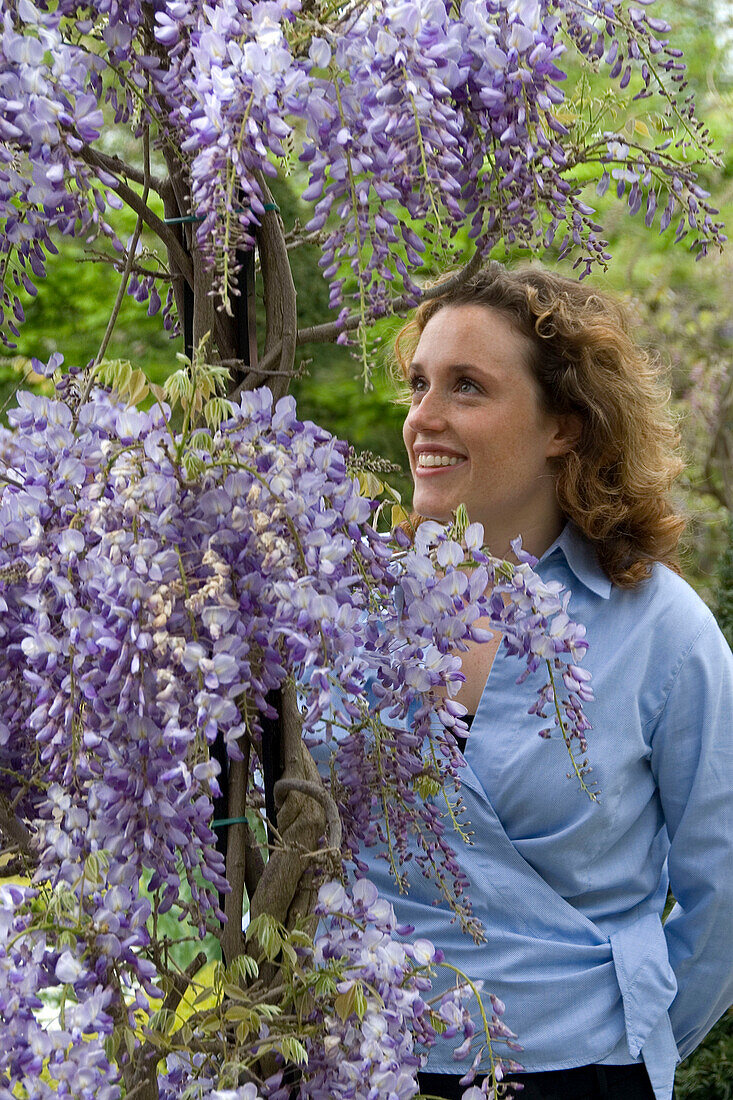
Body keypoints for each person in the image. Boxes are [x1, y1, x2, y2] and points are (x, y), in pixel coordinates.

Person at [364, 263, 733, 1100]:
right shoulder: (348, 605)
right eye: (418, 384)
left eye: (466, 388)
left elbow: (727, 895)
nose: (423, 417)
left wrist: (628, 1044)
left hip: (574, 1069)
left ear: (562, 425)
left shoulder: (659, 629)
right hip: (357, 1065)